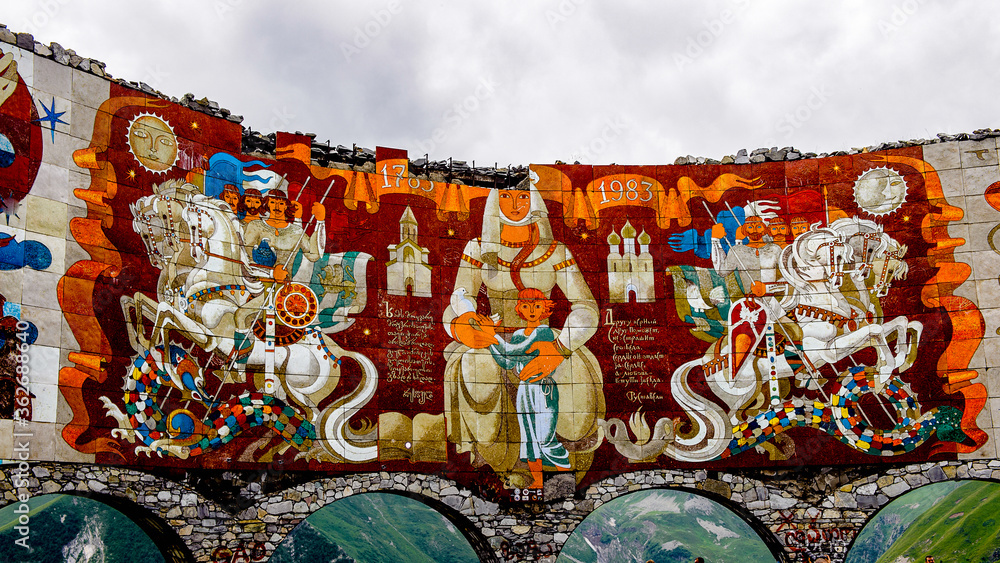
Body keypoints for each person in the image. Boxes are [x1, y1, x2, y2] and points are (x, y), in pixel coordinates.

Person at [442, 175, 604, 488]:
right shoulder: (477, 248)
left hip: (546, 337)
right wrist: (463, 326)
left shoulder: (555, 251)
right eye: (506, 198)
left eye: (522, 198)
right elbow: (458, 300)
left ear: (535, 203)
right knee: (477, 365)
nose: (515, 206)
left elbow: (585, 306)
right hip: (495, 336)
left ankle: (565, 455)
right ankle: (500, 461)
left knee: (571, 370)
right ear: (494, 203)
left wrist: (560, 347)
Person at [489, 288, 570, 489]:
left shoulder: (544, 332)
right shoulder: (517, 334)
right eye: (526, 306)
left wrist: (491, 335)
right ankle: (538, 481)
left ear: (544, 309)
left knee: (546, 439)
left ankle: (567, 481)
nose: (531, 310)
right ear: (520, 310)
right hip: (525, 390)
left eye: (536, 306)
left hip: (543, 390)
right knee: (529, 441)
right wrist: (489, 342)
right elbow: (507, 362)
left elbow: (517, 352)